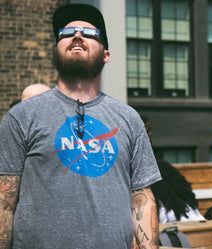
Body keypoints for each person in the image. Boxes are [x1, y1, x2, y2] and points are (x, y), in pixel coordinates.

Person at [0, 4, 161, 249]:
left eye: (89, 33)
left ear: (106, 54)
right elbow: (4, 204)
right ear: (56, 50)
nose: (77, 35)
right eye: (66, 32)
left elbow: (142, 201)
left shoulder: (129, 119)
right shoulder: (21, 117)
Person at [141, 116, 205, 223]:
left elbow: (186, 194)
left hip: (178, 219)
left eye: (150, 131)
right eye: (146, 131)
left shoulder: (162, 166)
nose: (150, 135)